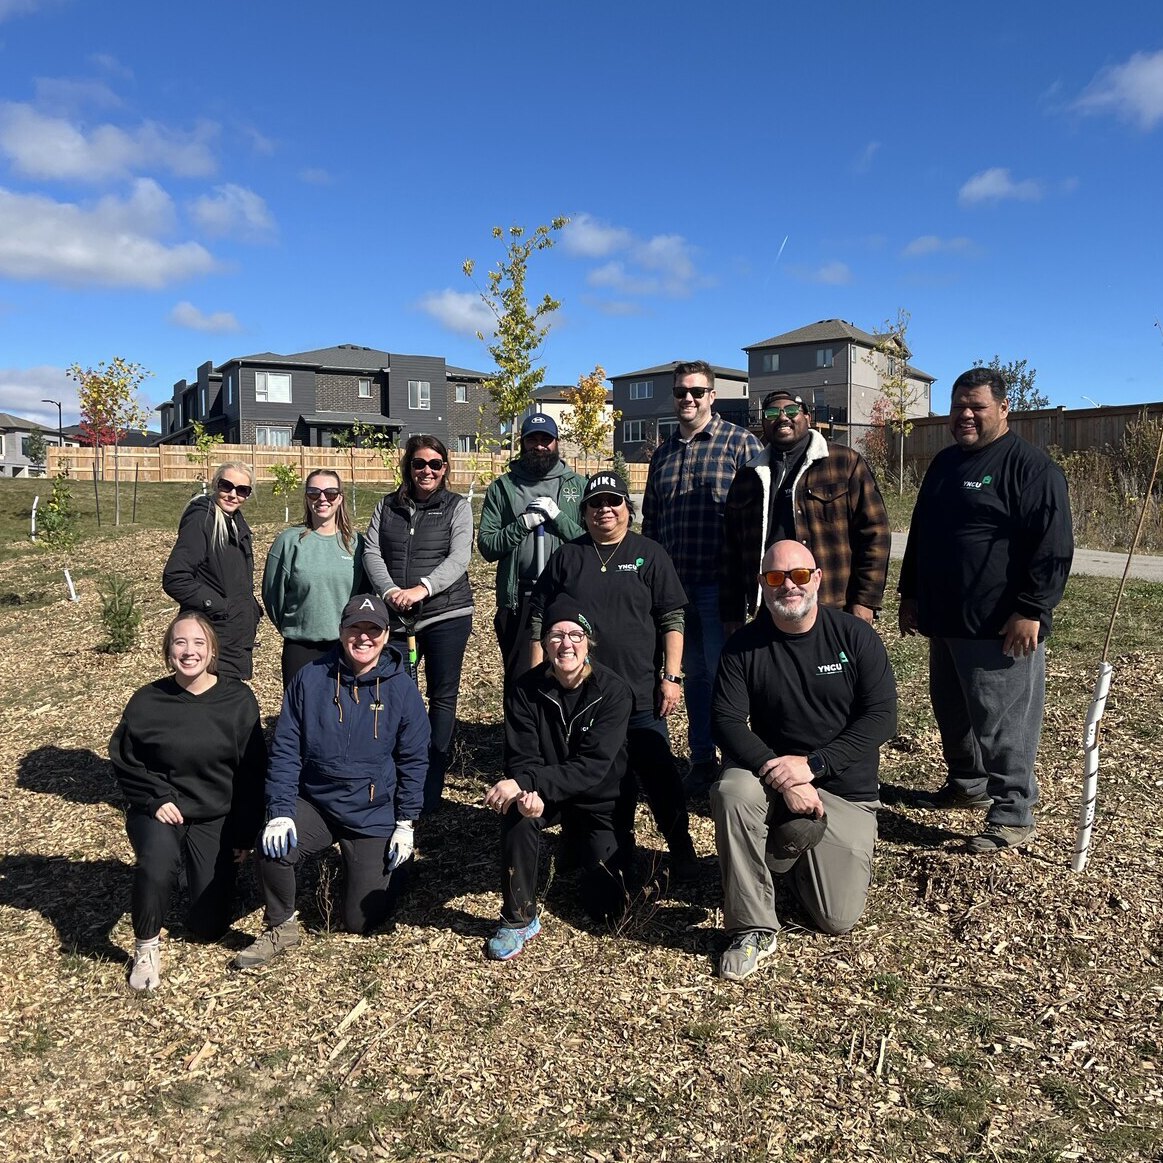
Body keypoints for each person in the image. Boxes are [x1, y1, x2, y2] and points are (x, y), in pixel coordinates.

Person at [899, 366, 1073, 852]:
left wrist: (1031, 610)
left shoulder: (1031, 468)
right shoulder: (944, 463)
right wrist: (910, 594)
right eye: (959, 407)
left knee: (1002, 724)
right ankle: (969, 785)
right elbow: (922, 533)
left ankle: (1013, 812)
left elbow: (1053, 547)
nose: (966, 416)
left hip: (1001, 628)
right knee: (953, 716)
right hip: (945, 620)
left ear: (1003, 409)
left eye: (977, 406)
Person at [710, 541, 896, 982]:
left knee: (836, 919)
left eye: (797, 575)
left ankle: (779, 856)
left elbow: (882, 717)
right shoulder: (744, 647)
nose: (788, 586)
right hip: (772, 775)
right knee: (731, 791)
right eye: (775, 578)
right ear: (762, 585)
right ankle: (753, 926)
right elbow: (726, 721)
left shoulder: (855, 636)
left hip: (844, 788)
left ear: (817, 578)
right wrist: (784, 775)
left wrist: (813, 767)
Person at [233, 594, 430, 968]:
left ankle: (396, 868)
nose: (363, 638)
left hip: (371, 810)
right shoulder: (311, 678)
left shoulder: (402, 689)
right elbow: (286, 749)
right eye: (355, 628)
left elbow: (414, 759)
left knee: (359, 921)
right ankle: (281, 925)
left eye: (373, 630)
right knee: (272, 845)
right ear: (341, 633)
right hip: (317, 801)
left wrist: (406, 822)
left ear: (386, 636)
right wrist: (279, 810)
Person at [529, 471, 699, 880]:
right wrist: (538, 674)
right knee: (600, 776)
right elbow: (539, 617)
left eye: (614, 501)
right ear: (583, 512)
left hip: (641, 692)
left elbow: (672, 617)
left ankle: (681, 848)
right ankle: (608, 849)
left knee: (659, 774)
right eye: (595, 503)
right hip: (583, 696)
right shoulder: (568, 556)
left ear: (628, 508)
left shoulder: (650, 553)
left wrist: (671, 677)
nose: (605, 509)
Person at [110, 613, 266, 991]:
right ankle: (147, 945)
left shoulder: (237, 700)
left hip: (214, 814)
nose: (189, 650)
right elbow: (123, 758)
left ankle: (193, 874)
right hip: (163, 810)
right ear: (168, 651)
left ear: (212, 650)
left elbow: (252, 772)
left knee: (208, 927)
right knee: (157, 862)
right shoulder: (148, 701)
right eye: (180, 642)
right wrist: (155, 797)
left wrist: (244, 833)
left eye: (198, 643)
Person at [483, 598, 631, 959]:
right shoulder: (524, 690)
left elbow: (593, 767)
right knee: (517, 813)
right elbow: (521, 756)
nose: (566, 644)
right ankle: (518, 918)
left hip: (600, 798)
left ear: (589, 642)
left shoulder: (613, 692)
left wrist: (528, 781)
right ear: (545, 644)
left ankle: (578, 839)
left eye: (575, 635)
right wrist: (527, 789)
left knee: (606, 910)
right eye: (556, 635)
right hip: (548, 794)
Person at [642, 360, 762, 791]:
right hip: (675, 589)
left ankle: (736, 760)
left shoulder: (740, 445)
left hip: (720, 585)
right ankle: (702, 758)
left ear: (712, 395)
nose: (687, 399)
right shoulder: (664, 454)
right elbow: (651, 523)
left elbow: (758, 519)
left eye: (696, 391)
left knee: (726, 676)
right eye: (680, 392)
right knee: (691, 674)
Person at [721, 387, 891, 634]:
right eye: (771, 412)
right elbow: (731, 550)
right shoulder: (748, 476)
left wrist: (865, 600)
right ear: (764, 423)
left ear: (807, 418)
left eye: (791, 410)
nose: (782, 417)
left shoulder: (844, 463)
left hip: (831, 604)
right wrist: (731, 612)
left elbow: (875, 532)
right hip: (771, 605)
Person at [363, 436, 473, 812]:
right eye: (419, 464)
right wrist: (391, 590)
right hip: (395, 617)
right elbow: (371, 551)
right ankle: (397, 772)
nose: (427, 471)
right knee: (394, 695)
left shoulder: (457, 507)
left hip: (446, 614)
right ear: (408, 467)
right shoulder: (386, 506)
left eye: (436, 464)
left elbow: (460, 557)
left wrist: (421, 589)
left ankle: (431, 782)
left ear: (445, 468)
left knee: (442, 697)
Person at [477, 414, 586, 684]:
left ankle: (559, 728)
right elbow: (488, 547)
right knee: (521, 678)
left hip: (568, 594)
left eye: (545, 439)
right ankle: (522, 728)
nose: (539, 446)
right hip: (521, 598)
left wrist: (558, 518)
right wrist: (523, 524)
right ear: (522, 443)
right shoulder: (503, 488)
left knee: (569, 674)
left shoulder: (578, 486)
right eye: (532, 440)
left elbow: (591, 545)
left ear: (557, 443)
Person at [262, 469, 365, 688]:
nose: (322, 499)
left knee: (341, 715)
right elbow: (272, 595)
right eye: (313, 493)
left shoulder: (356, 544)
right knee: (300, 716)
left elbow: (364, 597)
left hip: (345, 646)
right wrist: (296, 624)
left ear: (340, 497)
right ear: (306, 497)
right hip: (300, 647)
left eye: (330, 492)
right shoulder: (289, 542)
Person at [163, 461, 263, 681]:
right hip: (211, 636)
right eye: (226, 486)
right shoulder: (202, 518)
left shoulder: (234, 522)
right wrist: (219, 605)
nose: (233, 495)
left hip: (232, 636)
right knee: (210, 706)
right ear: (216, 484)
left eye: (242, 490)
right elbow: (175, 578)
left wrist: (251, 609)